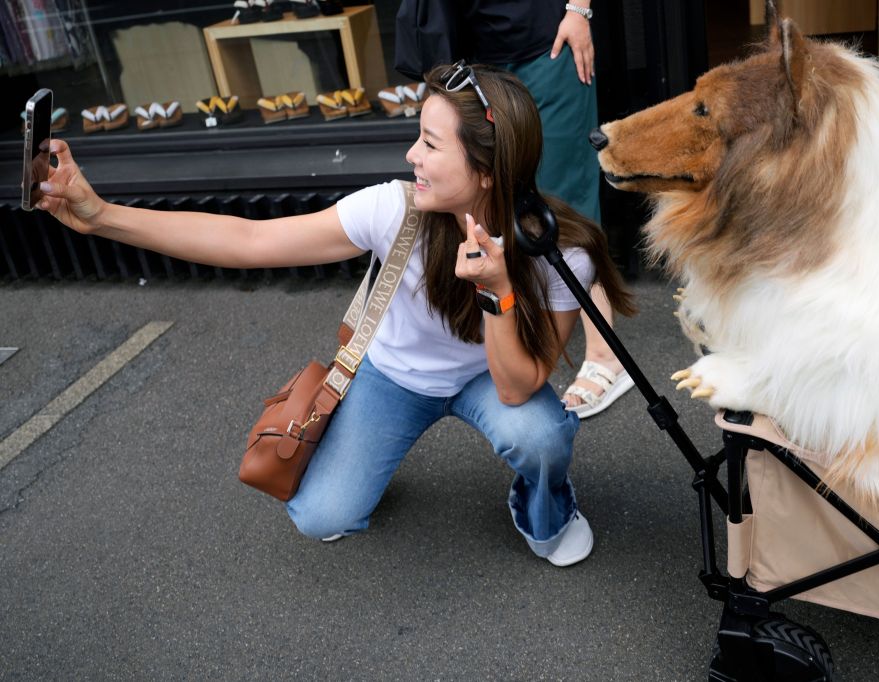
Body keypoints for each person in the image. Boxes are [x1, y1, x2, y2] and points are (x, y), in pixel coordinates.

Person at [36, 63, 633, 567]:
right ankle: (369, 458)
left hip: (489, 380)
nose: (411, 154)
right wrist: (102, 216)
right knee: (321, 516)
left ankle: (544, 507)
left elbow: (519, 385)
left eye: (429, 142)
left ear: (485, 170)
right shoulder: (392, 210)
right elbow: (251, 242)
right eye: (417, 137)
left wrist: (498, 291)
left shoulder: (559, 251)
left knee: (543, 435)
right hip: (391, 378)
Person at [459, 0, 636, 419]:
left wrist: (578, 9)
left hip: (548, 42)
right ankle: (516, 334)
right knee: (500, 193)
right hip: (478, 51)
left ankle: (605, 353)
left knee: (568, 203)